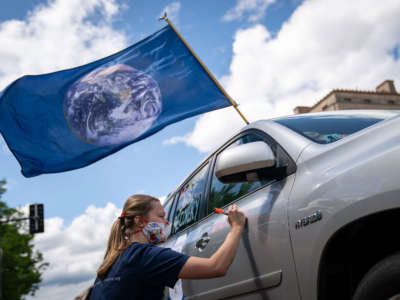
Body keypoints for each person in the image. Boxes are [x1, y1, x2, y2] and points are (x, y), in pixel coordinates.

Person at [88, 194, 246, 300]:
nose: (167, 223)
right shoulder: (145, 255)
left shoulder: (108, 264)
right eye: (161, 216)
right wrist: (237, 227)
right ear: (140, 221)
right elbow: (216, 267)